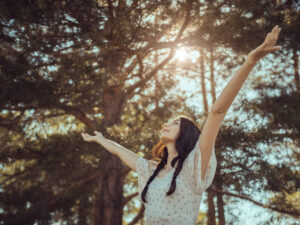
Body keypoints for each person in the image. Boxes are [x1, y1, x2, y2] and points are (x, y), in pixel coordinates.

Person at [81, 25, 281, 225]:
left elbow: (217, 112)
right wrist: (101, 139)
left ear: (185, 133)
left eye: (175, 123)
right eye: (168, 122)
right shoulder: (152, 171)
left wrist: (250, 61)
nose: (166, 124)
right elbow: (119, 152)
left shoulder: (194, 165)